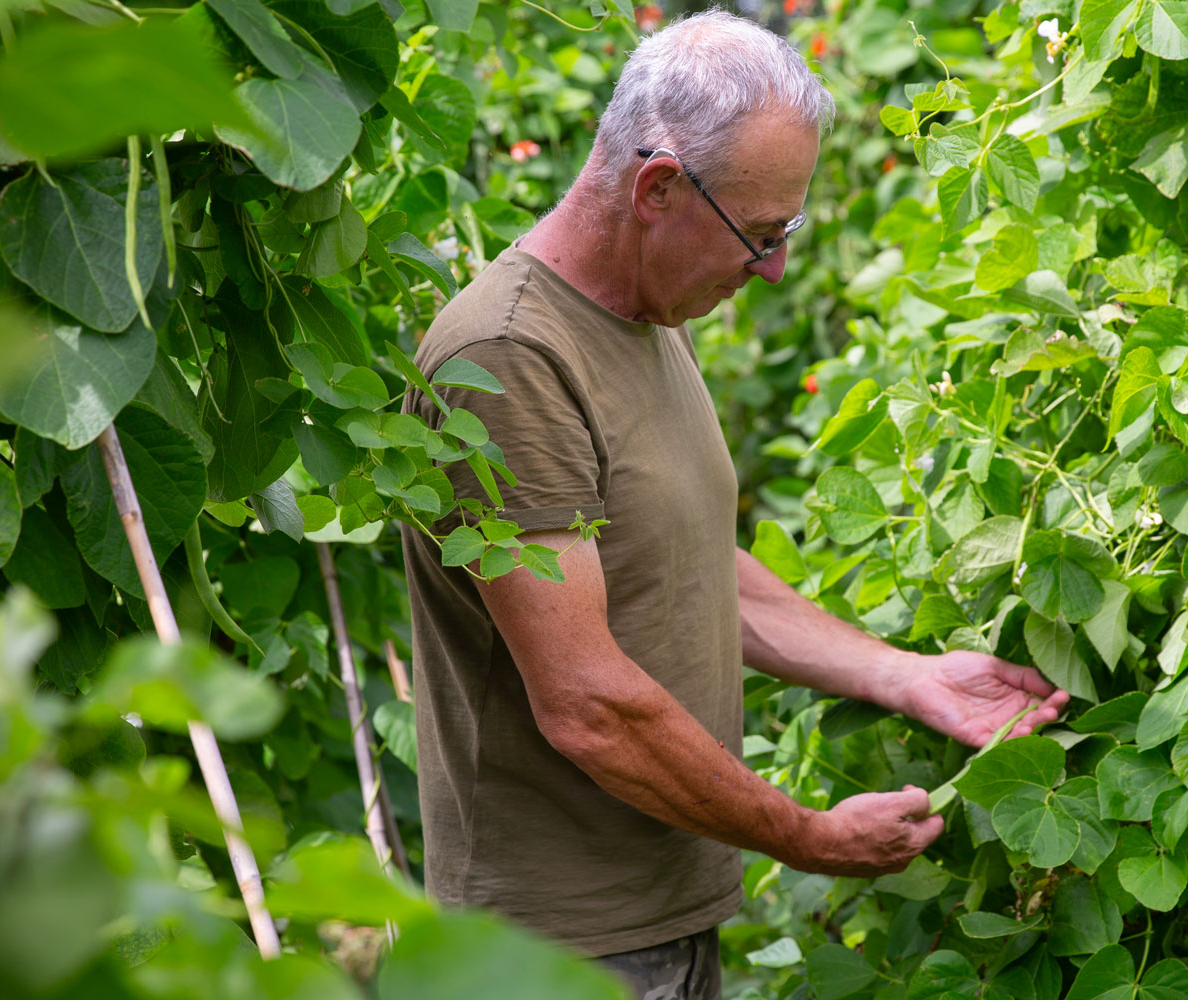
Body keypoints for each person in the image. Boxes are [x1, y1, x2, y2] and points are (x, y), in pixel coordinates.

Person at [399, 11, 1070, 998]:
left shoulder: (640, 314)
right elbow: (586, 703)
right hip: (560, 951)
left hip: (654, 923)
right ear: (657, 188)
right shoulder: (508, 360)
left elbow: (688, 567)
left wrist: (903, 674)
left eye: (784, 233)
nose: (773, 270)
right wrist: (809, 837)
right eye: (759, 236)